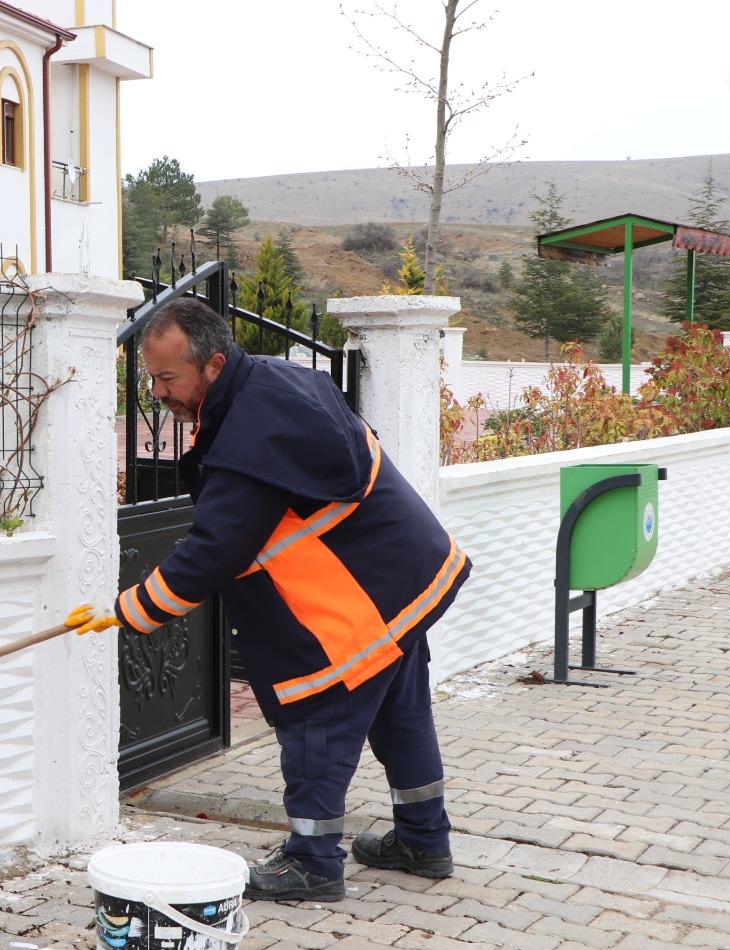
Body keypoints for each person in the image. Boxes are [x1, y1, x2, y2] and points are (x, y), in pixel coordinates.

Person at [82, 297, 471, 902]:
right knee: (401, 711)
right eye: (151, 378)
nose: (157, 392)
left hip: (357, 606)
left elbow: (215, 548)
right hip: (408, 577)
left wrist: (130, 609)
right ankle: (423, 838)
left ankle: (313, 863)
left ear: (212, 365)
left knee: (318, 721)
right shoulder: (281, 384)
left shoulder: (249, 434)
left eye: (166, 378)